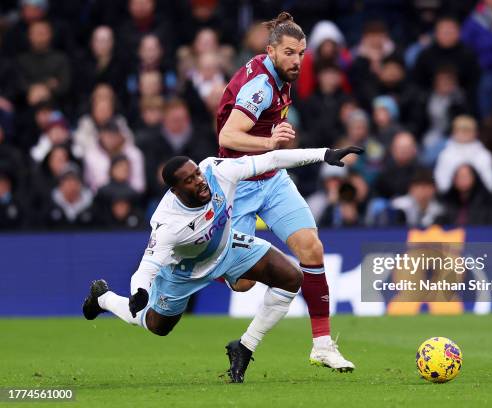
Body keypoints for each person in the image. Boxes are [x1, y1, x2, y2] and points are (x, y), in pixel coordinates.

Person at [81, 145, 362, 383]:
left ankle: (245, 347)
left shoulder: (217, 171)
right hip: (185, 272)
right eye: (189, 181)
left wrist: (324, 154)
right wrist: (139, 292)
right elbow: (146, 267)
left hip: (229, 248)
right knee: (157, 326)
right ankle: (104, 298)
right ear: (175, 191)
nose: (199, 181)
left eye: (197, 174)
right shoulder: (168, 224)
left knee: (291, 277)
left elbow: (272, 159)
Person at [216, 12, 355, 371]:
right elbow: (227, 137)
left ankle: (322, 344)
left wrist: (273, 148)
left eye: (301, 53)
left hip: (272, 179)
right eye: (290, 53)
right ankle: (216, 257)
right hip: (241, 184)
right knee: (243, 284)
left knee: (312, 248)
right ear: (271, 50)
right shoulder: (260, 85)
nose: (297, 60)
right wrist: (268, 142)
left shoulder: (281, 75)